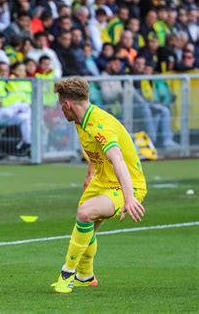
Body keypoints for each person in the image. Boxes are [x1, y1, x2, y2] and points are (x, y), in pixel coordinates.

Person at [51, 77, 147, 293]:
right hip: (101, 179)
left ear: (67, 104)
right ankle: (86, 276)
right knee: (86, 228)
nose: (61, 110)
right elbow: (96, 152)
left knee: (85, 213)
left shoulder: (100, 124)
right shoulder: (80, 119)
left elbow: (118, 159)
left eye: (60, 106)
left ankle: (67, 273)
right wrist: (90, 173)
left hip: (126, 184)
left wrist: (129, 197)